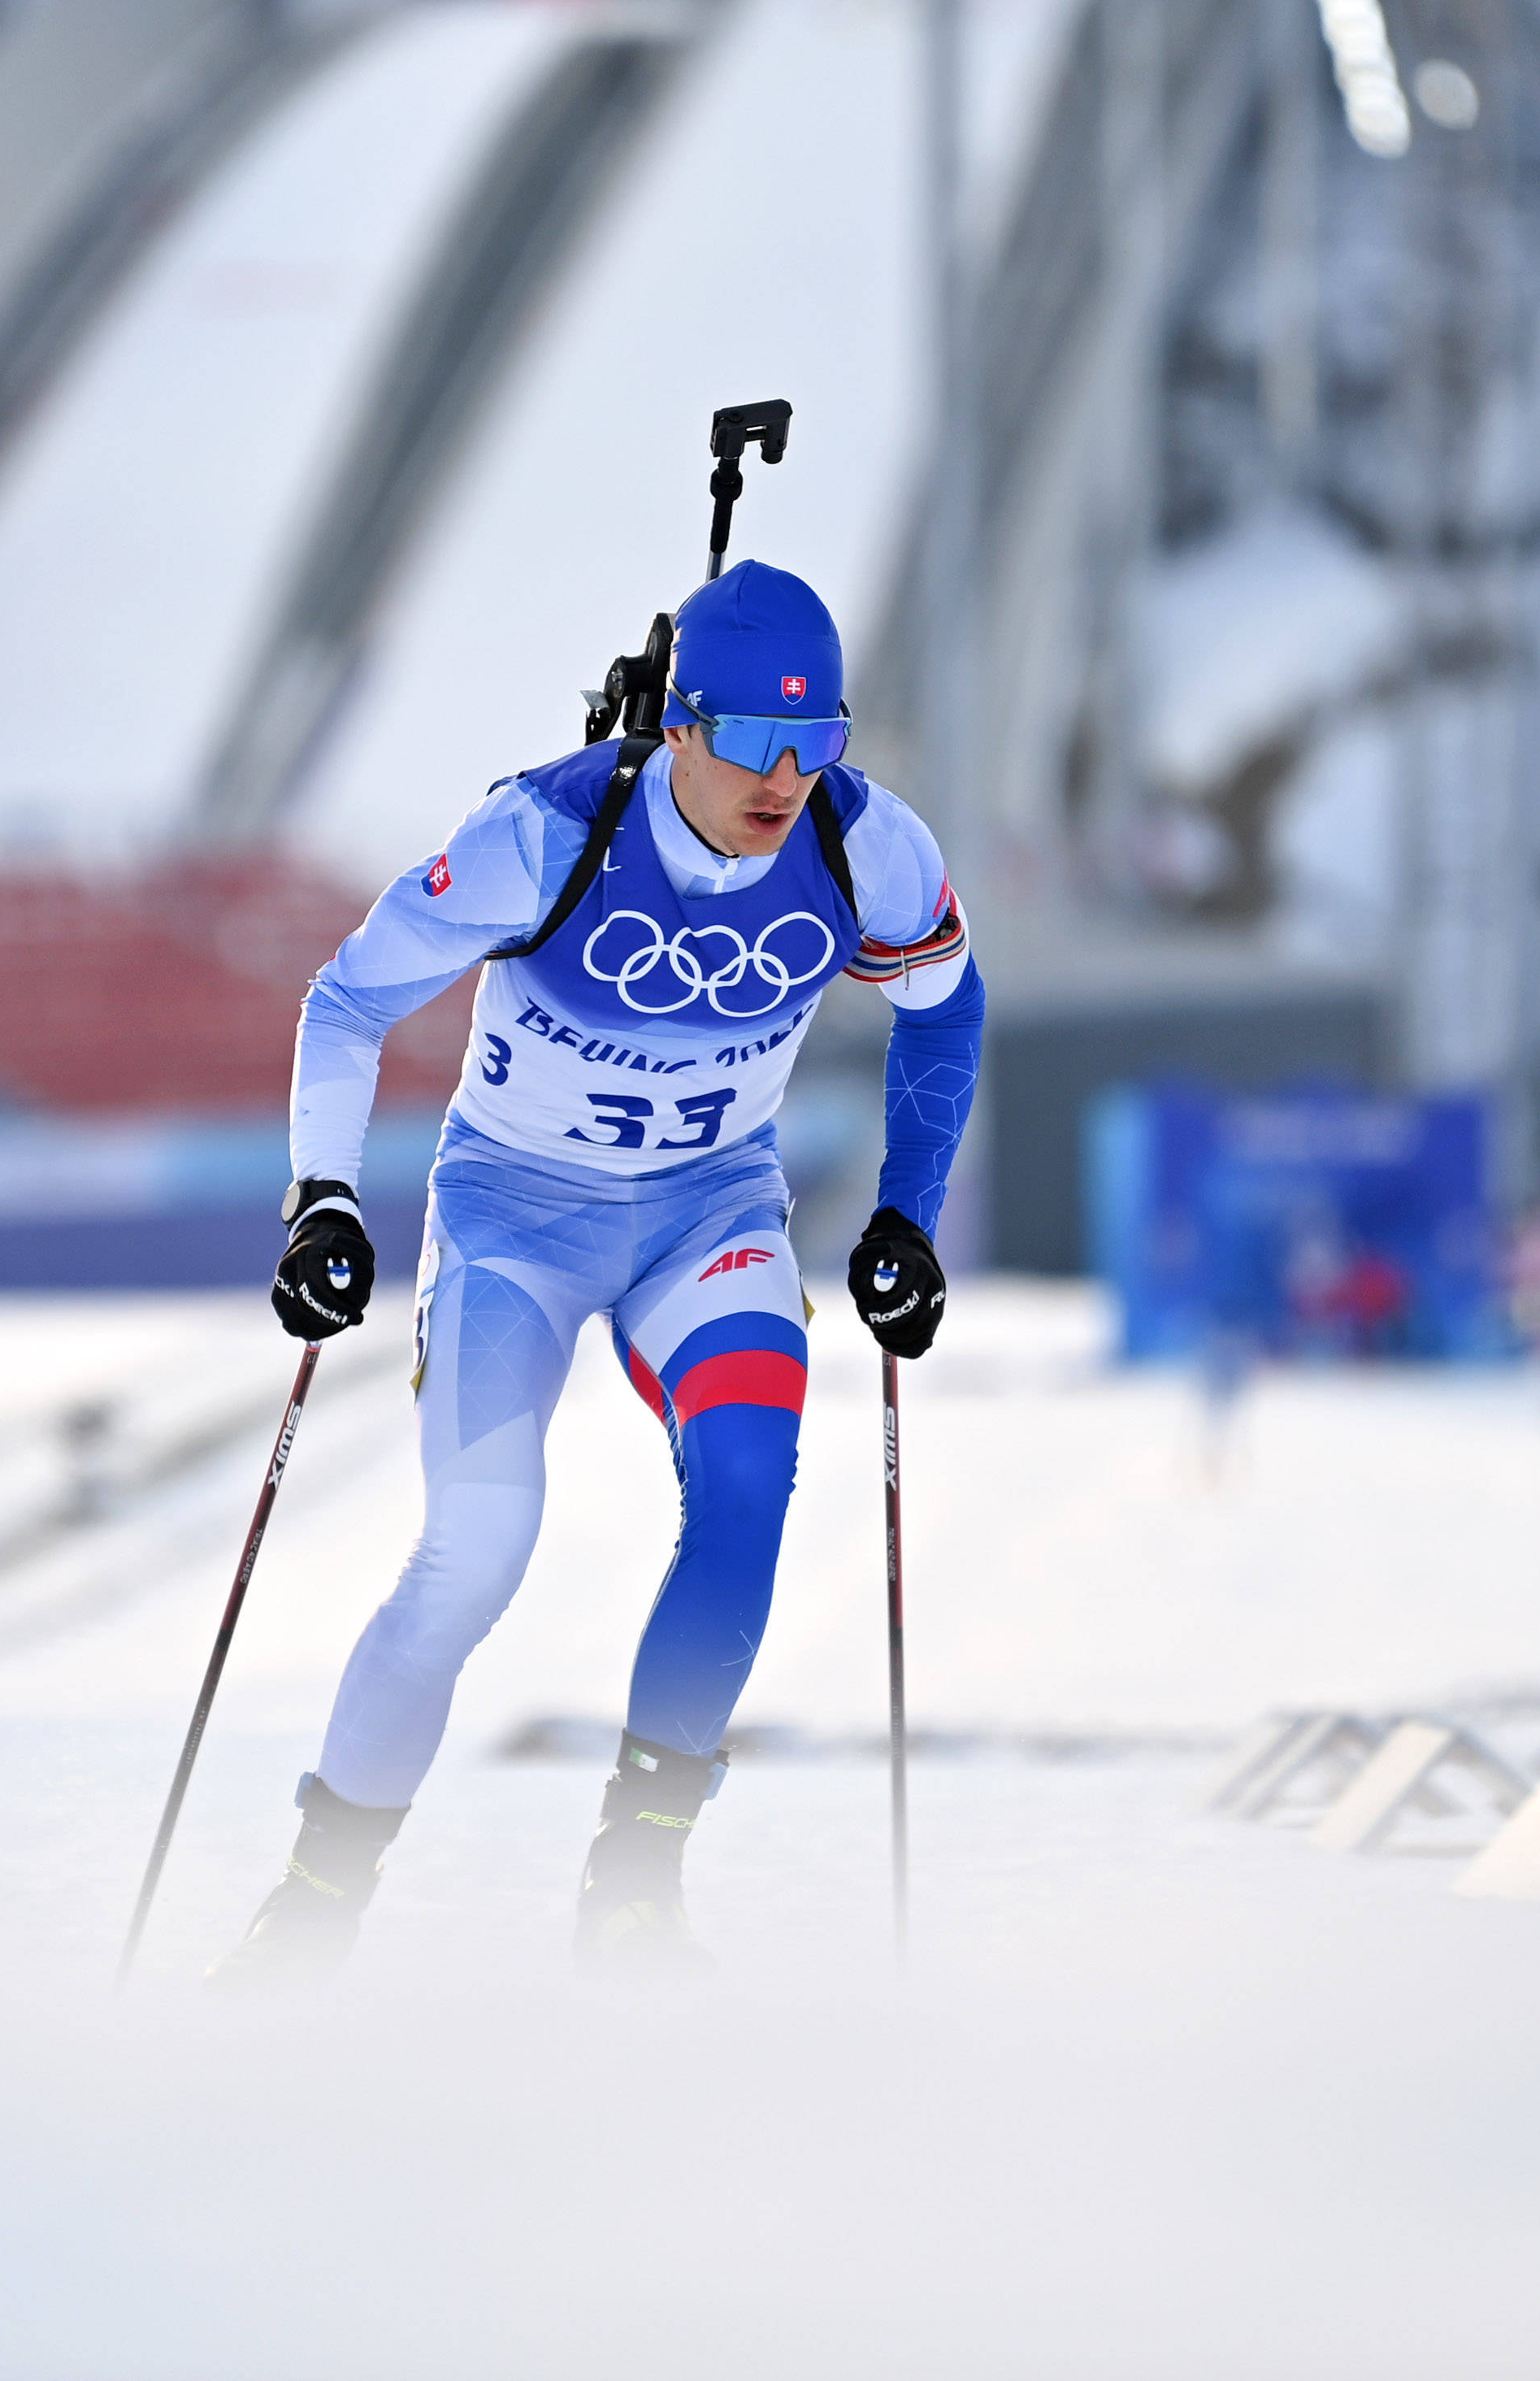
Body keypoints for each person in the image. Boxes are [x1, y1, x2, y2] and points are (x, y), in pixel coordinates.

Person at [218, 558, 983, 1983]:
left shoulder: (871, 848)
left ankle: (634, 1884)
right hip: (517, 1219)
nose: (785, 783)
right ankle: (316, 1899)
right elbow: (351, 998)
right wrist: (321, 1202)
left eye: (817, 747)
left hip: (711, 1215)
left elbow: (948, 1006)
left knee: (752, 1490)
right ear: (681, 725)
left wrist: (908, 1217)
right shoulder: (543, 835)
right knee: (477, 1551)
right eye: (755, 742)